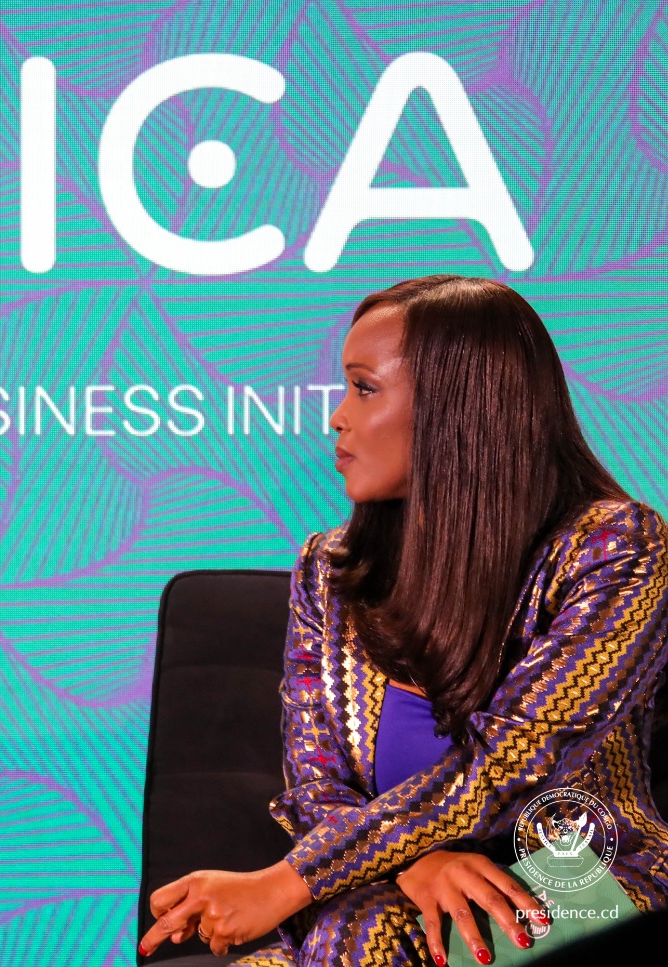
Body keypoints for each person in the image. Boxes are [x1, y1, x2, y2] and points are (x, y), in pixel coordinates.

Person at [136, 276, 668, 965]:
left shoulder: (617, 548)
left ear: (457, 407)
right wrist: (417, 862)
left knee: (356, 932)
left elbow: (511, 764)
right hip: (385, 894)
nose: (337, 417)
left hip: (578, 886)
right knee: (357, 927)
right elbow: (317, 786)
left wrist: (288, 882)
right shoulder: (328, 569)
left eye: (364, 388)